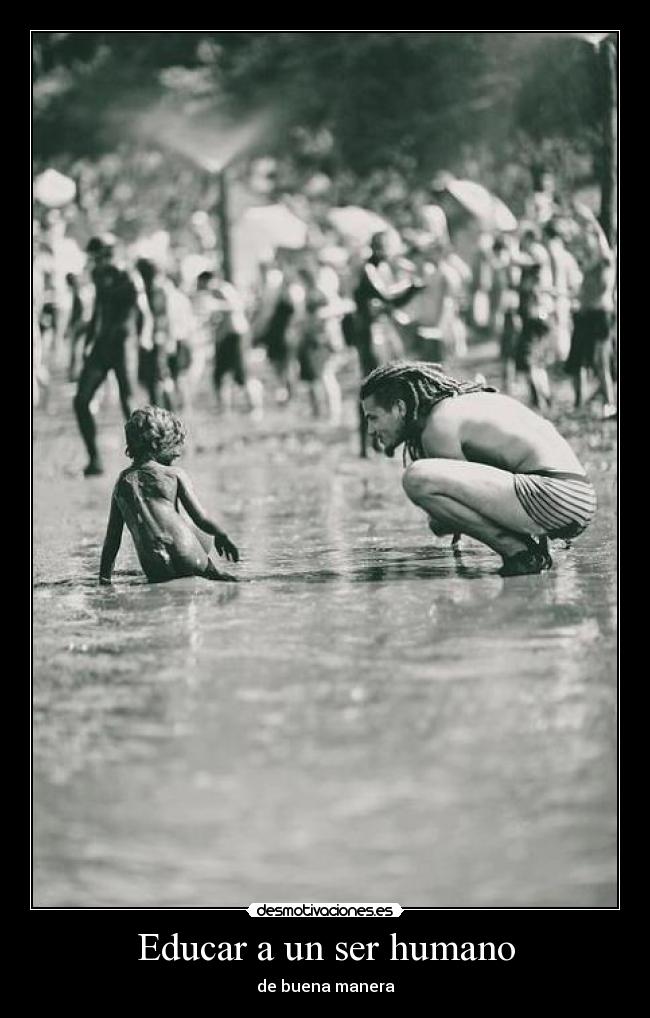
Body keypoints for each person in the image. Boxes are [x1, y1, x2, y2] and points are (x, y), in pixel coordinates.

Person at [360, 361, 597, 577]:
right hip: (580, 498)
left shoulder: (438, 427)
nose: (370, 430)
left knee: (417, 478)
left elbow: (449, 518)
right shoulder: (462, 403)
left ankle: (520, 553)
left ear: (400, 408)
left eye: (374, 418)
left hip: (555, 497)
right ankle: (532, 548)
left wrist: (440, 520)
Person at [99, 406, 239, 585]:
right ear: (156, 444)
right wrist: (221, 535)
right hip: (189, 555)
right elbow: (200, 518)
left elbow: (112, 540)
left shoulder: (121, 484)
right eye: (174, 445)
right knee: (224, 582)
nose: (178, 453)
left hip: (155, 568)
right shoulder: (173, 475)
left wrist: (104, 581)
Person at [74, 235, 152, 476]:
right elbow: (98, 309)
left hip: (124, 344)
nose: (98, 262)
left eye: (102, 256)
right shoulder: (98, 275)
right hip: (102, 345)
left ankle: (143, 456)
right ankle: (94, 459)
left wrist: (145, 337)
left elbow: (144, 311)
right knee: (81, 400)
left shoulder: (129, 275)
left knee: (127, 400)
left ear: (111, 253)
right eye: (95, 258)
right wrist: (87, 343)